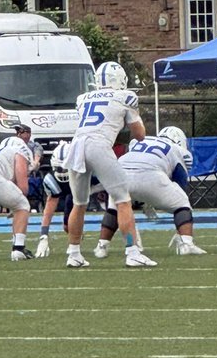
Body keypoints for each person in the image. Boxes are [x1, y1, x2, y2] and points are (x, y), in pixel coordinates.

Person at [64, 61, 156, 268]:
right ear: (121, 79)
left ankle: (74, 253)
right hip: (98, 145)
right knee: (123, 200)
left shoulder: (82, 98)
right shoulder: (126, 96)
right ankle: (132, 252)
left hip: (77, 146)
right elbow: (140, 135)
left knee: (79, 203)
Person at [92, 126, 206, 258]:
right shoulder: (178, 150)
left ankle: (102, 246)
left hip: (119, 172)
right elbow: (180, 182)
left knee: (116, 208)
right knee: (182, 203)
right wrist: (154, 199)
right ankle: (186, 244)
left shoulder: (139, 141)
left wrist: (144, 200)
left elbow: (134, 165)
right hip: (150, 174)